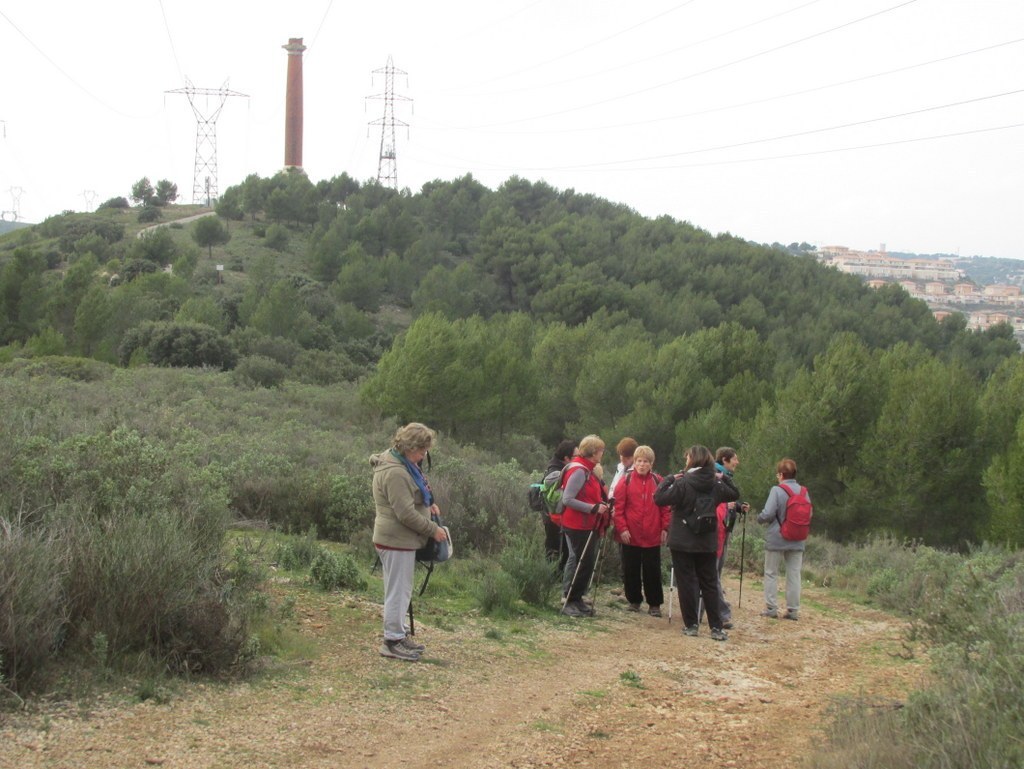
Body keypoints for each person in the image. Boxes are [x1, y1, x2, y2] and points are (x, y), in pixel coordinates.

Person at [370, 423, 449, 661]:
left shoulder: (401, 463)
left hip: (399, 539)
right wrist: (432, 529)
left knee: (401, 589)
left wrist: (428, 505)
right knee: (398, 591)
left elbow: (410, 500)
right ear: (410, 447)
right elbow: (404, 513)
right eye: (422, 450)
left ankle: (398, 634)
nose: (424, 455)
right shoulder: (395, 472)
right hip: (395, 539)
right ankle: (392, 641)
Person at [655, 444, 738, 640]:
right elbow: (734, 493)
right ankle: (716, 628)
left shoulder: (683, 483)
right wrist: (723, 476)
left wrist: (669, 479)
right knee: (709, 583)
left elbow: (659, 498)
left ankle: (691, 624)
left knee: (686, 583)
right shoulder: (715, 484)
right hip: (707, 540)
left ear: (692, 460)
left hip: (682, 540)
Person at [612, 445, 670, 617]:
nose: (642, 464)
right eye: (639, 461)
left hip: (652, 534)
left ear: (651, 464)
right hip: (631, 534)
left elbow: (665, 508)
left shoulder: (659, 482)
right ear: (634, 462)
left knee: (653, 570)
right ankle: (634, 601)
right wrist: (622, 528)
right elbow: (618, 507)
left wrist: (665, 528)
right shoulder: (625, 481)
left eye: (645, 461)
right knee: (631, 569)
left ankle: (654, 604)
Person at [559, 434, 611, 618]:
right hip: (577, 525)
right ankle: (570, 600)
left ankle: (577, 599)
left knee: (586, 563)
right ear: (594, 452)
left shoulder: (586, 469)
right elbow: (568, 499)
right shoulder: (580, 470)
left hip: (585, 524)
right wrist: (593, 508)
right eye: (601, 451)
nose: (602, 454)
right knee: (581, 562)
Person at [757, 458, 807, 621]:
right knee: (794, 574)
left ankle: (771, 608)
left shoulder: (777, 490)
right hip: (797, 538)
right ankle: (793, 610)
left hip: (777, 537)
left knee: (771, 572)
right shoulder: (804, 492)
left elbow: (768, 513)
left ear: (780, 475)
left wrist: (760, 518)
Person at [706, 447, 750, 629]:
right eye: (734, 459)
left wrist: (738, 507)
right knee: (713, 573)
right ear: (725, 459)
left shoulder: (722, 475)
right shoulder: (717, 475)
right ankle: (721, 612)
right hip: (717, 529)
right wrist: (730, 505)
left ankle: (716, 606)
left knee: (715, 571)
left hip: (723, 528)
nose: (737, 462)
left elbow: (725, 500)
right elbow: (717, 500)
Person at [541, 439, 577, 569]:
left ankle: (556, 574)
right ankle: (555, 575)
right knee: (555, 546)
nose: (578, 459)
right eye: (576, 456)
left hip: (550, 514)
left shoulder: (555, 467)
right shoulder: (557, 472)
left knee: (554, 545)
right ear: (567, 458)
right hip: (554, 515)